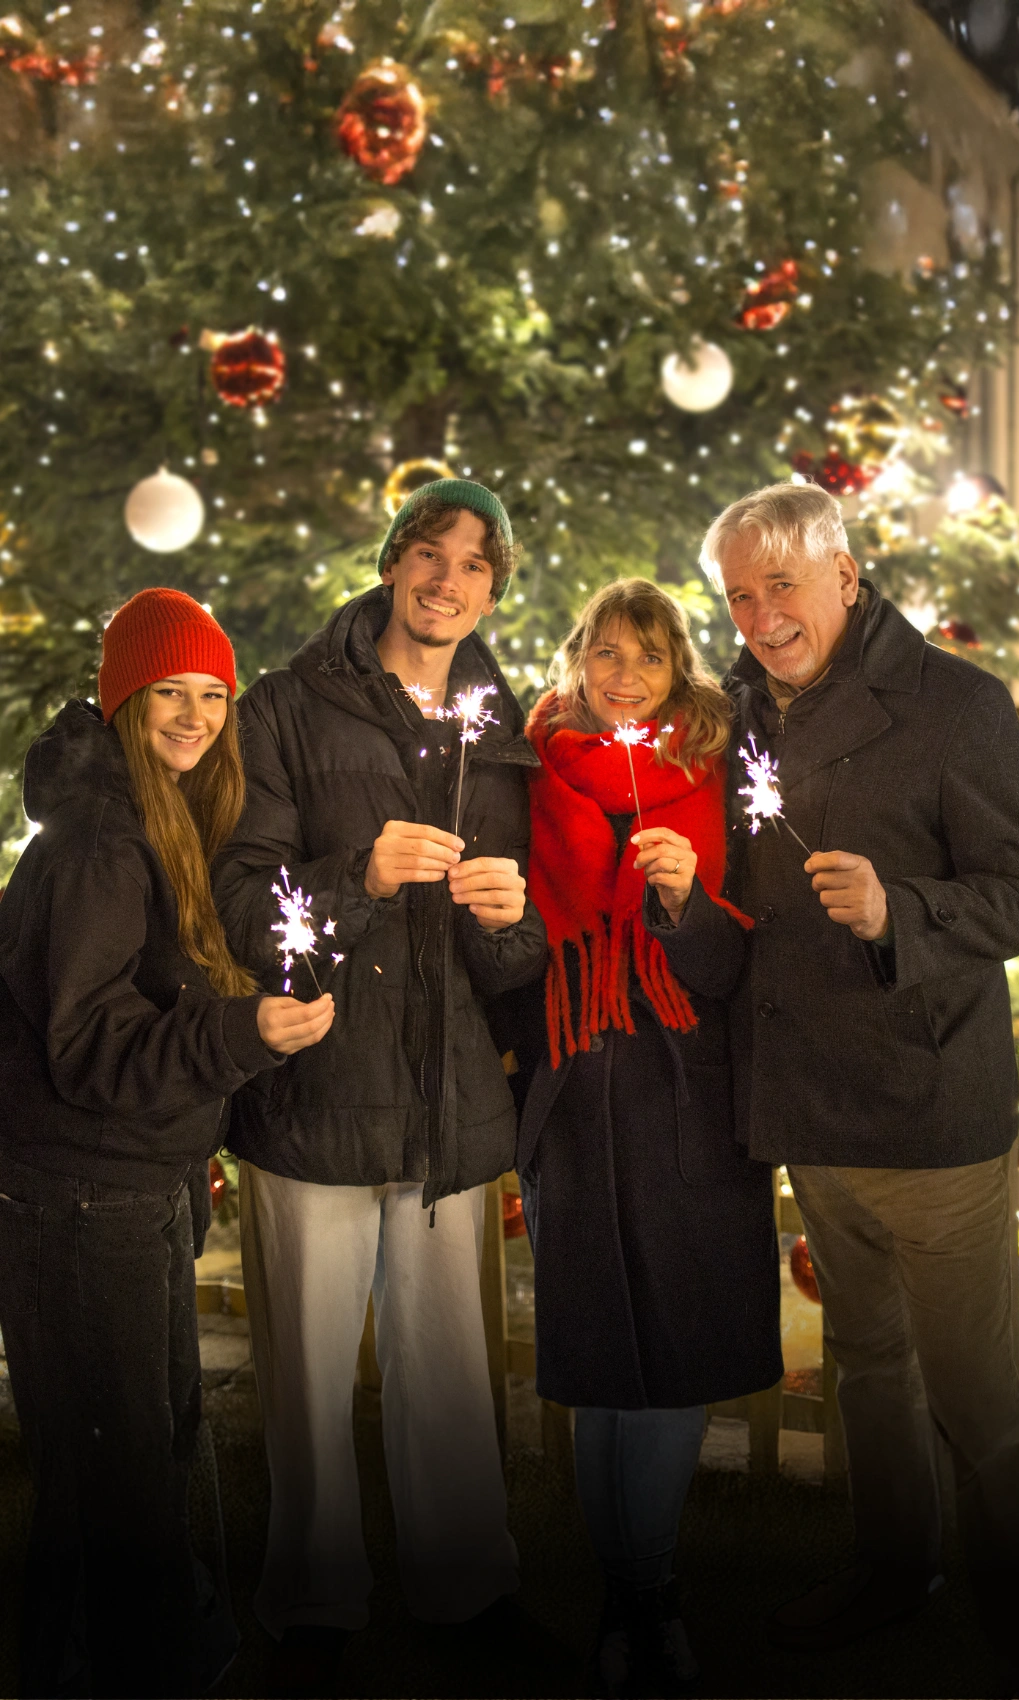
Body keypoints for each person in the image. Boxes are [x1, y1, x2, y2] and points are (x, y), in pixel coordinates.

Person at [702, 481, 1019, 1687]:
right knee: (866, 1356)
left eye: (784, 585)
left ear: (847, 573)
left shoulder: (953, 706)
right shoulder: (743, 716)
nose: (763, 616)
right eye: (741, 596)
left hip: (928, 1110)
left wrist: (898, 907)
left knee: (976, 1394)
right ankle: (893, 1562)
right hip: (812, 1099)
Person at [212, 479, 549, 1695]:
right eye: (426, 551)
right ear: (392, 562)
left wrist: (515, 920)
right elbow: (245, 903)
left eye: (473, 563)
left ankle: (465, 1588)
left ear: (495, 590)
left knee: (452, 1364)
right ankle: (312, 1600)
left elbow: (516, 958)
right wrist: (356, 873)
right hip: (318, 1097)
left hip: (452, 1102)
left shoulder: (500, 726)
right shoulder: (289, 708)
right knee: (305, 1368)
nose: (445, 578)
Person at [0, 588, 334, 1699]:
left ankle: (70, 1660)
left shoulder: (161, 818)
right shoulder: (100, 843)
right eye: (169, 694)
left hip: (126, 1185)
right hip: (77, 1199)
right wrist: (237, 1032)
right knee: (122, 1474)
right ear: (123, 696)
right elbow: (88, 1046)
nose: (194, 715)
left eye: (211, 695)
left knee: (132, 1455)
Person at [506, 579, 781, 1697]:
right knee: (598, 1355)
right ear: (578, 659)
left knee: (671, 1355)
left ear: (680, 674)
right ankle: (627, 1593)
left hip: (686, 1098)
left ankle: (647, 1591)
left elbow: (730, 970)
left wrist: (683, 907)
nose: (625, 675)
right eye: (608, 653)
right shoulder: (530, 771)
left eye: (650, 659)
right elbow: (513, 961)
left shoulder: (719, 776)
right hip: (575, 1092)